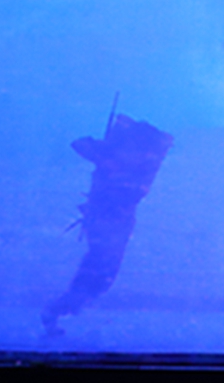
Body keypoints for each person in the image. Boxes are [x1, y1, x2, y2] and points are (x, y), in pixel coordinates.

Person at [42, 114, 174, 336]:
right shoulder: (123, 156)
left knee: (103, 268)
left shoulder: (142, 161)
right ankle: (64, 306)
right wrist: (107, 153)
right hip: (105, 216)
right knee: (101, 265)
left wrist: (108, 153)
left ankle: (65, 306)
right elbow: (81, 144)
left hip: (117, 218)